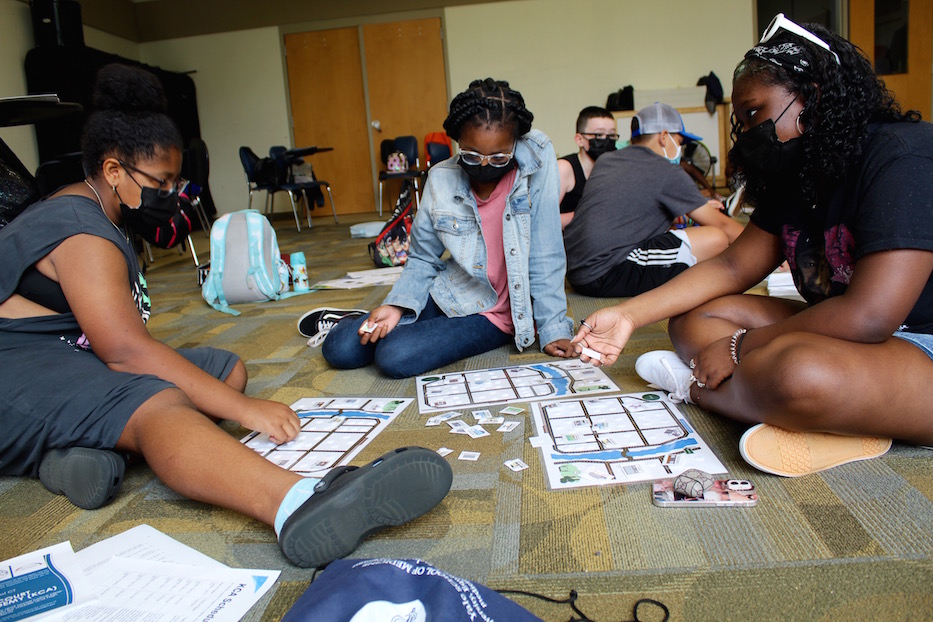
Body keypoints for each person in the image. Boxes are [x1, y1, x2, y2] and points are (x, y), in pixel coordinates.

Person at [0, 64, 451, 568]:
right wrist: (245, 413)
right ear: (112, 171)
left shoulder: (101, 207)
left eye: (176, 181)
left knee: (222, 369)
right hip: (14, 369)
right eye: (161, 183)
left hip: (65, 357)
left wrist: (229, 397)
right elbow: (125, 352)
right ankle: (296, 503)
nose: (172, 196)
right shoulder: (83, 232)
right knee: (159, 403)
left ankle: (70, 454)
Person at [572, 14, 933, 477]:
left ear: (813, 98)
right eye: (741, 120)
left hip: (915, 339)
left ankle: (695, 387)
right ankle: (815, 415)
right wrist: (627, 316)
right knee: (694, 317)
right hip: (847, 334)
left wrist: (741, 346)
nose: (746, 132)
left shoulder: (905, 156)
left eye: (755, 113)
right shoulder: (800, 170)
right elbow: (729, 266)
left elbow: (872, 315)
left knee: (797, 374)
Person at [320, 78, 575, 378]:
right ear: (457, 142)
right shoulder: (441, 178)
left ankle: (416, 331)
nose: (484, 167)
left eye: (498, 157)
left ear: (515, 143)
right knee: (340, 348)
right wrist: (397, 306)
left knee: (395, 356)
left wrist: (553, 328)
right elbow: (423, 257)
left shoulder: (537, 160)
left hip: (499, 312)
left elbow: (547, 250)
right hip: (453, 290)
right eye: (471, 155)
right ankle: (382, 320)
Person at [563, 102, 744, 298]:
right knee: (715, 238)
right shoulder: (666, 171)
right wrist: (770, 256)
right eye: (680, 141)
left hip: (573, 269)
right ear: (664, 136)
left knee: (681, 230)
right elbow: (722, 226)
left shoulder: (607, 161)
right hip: (603, 274)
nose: (680, 149)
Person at [557, 106, 618, 228]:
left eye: (611, 135)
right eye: (598, 134)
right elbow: (543, 220)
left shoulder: (613, 169)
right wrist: (588, 214)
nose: (606, 140)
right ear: (579, 139)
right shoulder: (564, 168)